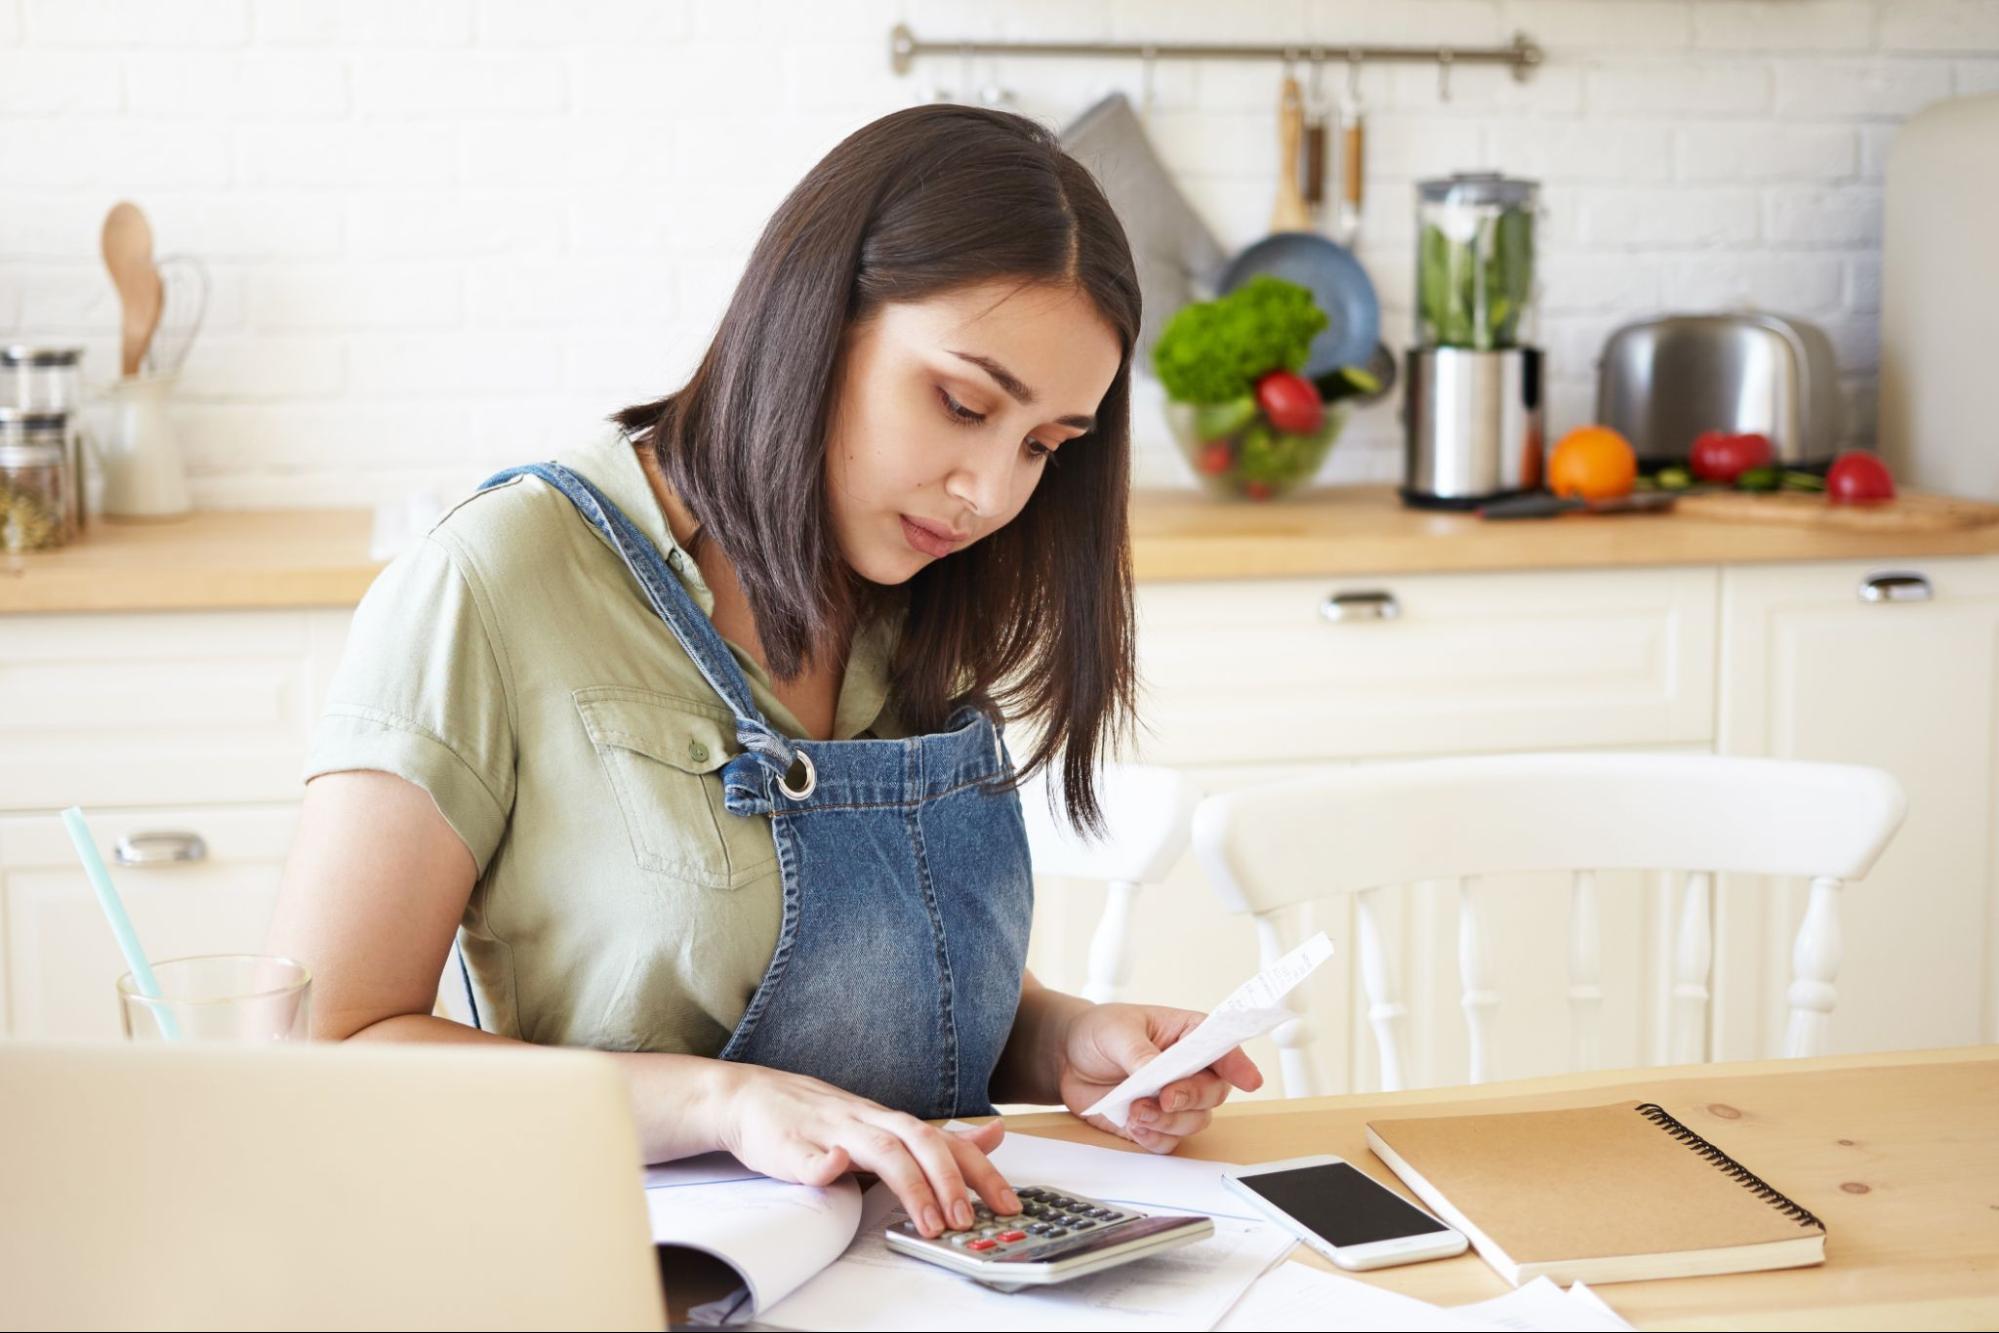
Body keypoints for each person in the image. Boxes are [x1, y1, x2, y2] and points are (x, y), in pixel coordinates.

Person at [267, 103, 1261, 1241]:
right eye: (962, 404)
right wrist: (718, 1100)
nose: (989, 493)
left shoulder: (919, 590)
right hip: (626, 1276)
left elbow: (870, 1008)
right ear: (815, 317)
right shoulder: (494, 580)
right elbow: (318, 1051)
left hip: (930, 1283)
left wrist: (1059, 1038)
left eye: (1042, 447)